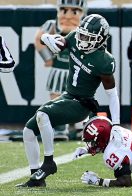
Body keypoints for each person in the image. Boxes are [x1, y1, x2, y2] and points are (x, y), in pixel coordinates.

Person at [16, 14, 120, 187]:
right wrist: (46, 38)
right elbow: (57, 43)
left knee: (43, 114)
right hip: (67, 96)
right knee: (27, 131)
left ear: (100, 39)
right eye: (82, 34)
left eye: (89, 37)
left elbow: (112, 94)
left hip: (81, 104)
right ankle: (36, 177)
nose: (83, 39)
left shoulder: (104, 61)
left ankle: (49, 162)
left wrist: (115, 124)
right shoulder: (74, 37)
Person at [34, 0, 87, 138]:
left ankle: (82, 128)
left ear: (83, 12)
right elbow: (38, 39)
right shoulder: (51, 25)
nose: (68, 16)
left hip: (77, 70)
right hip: (58, 69)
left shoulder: (87, 27)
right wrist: (47, 58)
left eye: (74, 11)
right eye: (64, 10)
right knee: (56, 98)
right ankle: (60, 129)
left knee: (80, 99)